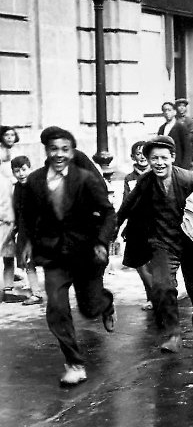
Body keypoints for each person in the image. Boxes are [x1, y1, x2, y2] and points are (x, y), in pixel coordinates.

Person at [117, 135, 193, 353]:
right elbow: (127, 205)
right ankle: (173, 334)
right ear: (148, 160)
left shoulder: (189, 178)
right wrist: (114, 227)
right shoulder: (146, 181)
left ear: (172, 157)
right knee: (161, 286)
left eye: (163, 158)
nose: (159, 163)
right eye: (154, 159)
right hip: (162, 242)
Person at [21, 128, 116, 386]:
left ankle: (105, 304)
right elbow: (27, 216)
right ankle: (74, 363)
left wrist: (101, 242)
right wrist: (27, 243)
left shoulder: (85, 179)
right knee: (57, 307)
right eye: (54, 149)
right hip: (54, 256)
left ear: (72, 152)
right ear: (46, 151)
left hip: (86, 253)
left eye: (65, 149)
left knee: (90, 307)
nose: (59, 154)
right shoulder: (35, 181)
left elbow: (108, 213)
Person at [122, 141, 152, 311]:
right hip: (136, 226)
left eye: (144, 153)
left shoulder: (155, 174)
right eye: (137, 153)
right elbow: (127, 202)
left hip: (153, 226)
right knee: (140, 265)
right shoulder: (130, 178)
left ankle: (158, 295)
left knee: (154, 264)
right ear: (133, 157)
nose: (141, 156)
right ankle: (151, 295)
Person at [11, 156, 43, 305]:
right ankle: (35, 292)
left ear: (30, 169)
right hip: (25, 230)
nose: (21, 174)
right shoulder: (17, 188)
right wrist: (16, 228)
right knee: (29, 262)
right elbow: (17, 210)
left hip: (40, 228)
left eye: (24, 170)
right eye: (17, 171)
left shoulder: (38, 185)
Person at [157, 101, 193, 169]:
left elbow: (187, 149)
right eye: (165, 110)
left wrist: (184, 167)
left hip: (179, 164)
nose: (167, 112)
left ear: (174, 112)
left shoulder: (181, 127)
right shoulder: (162, 128)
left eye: (169, 110)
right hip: (165, 164)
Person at [0, 170, 17, 302]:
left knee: (9, 257)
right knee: (8, 257)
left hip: (8, 222)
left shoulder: (7, 181)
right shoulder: (7, 181)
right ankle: (7, 289)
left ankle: (8, 289)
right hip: (5, 222)